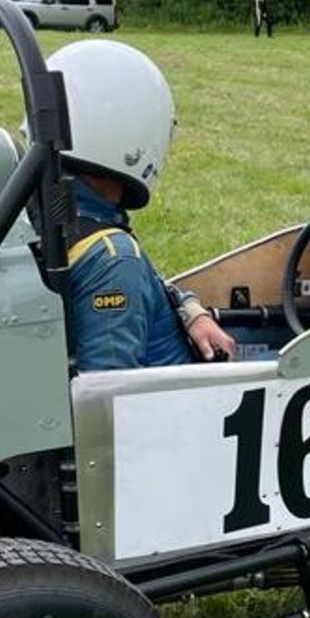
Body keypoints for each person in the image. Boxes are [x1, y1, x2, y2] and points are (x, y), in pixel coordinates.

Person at [53, 41, 236, 372]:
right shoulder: (113, 259)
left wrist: (190, 310)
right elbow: (107, 397)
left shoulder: (68, 217)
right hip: (188, 407)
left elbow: (143, 281)